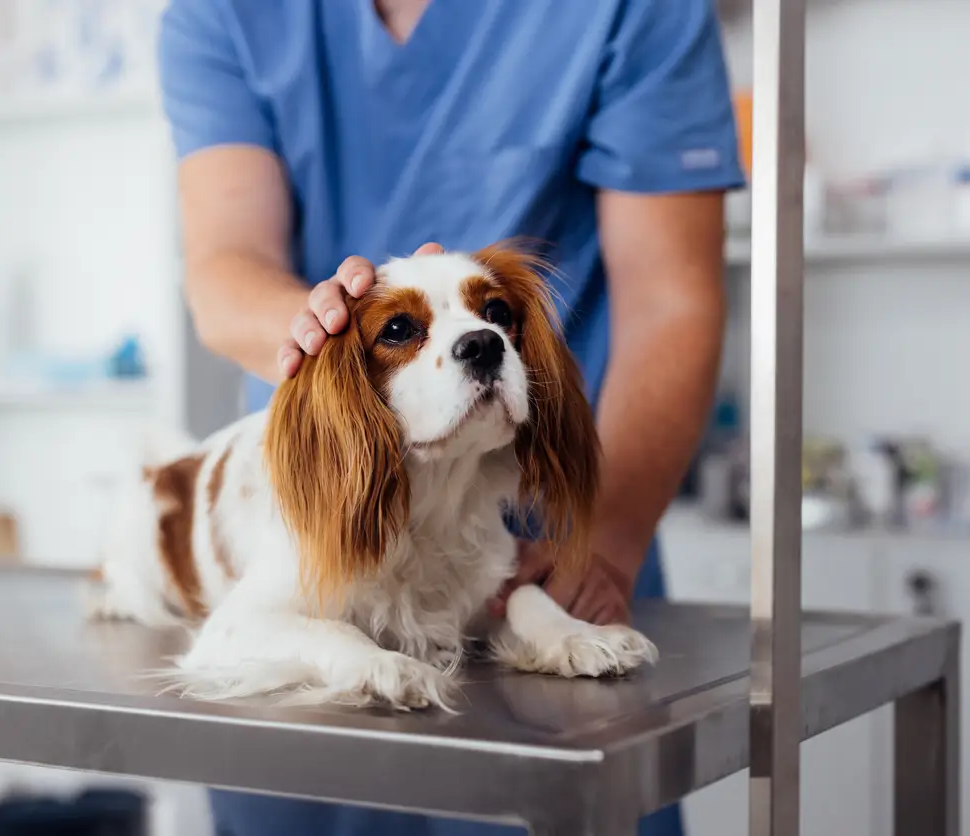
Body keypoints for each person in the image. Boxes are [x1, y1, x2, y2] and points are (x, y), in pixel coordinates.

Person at [158, 0, 744, 833]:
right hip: (313, 534)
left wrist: (600, 540)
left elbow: (670, 300)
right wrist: (320, 332)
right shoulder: (225, 15)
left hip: (547, 533)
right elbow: (225, 272)